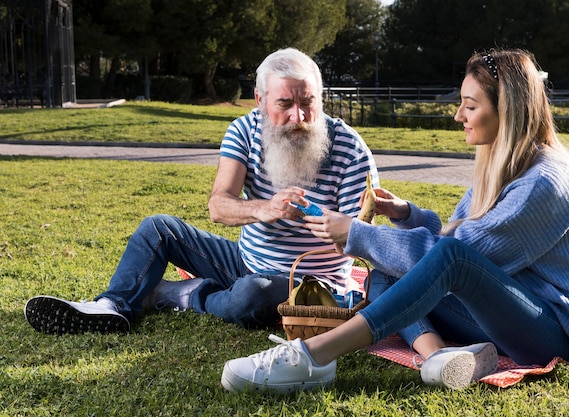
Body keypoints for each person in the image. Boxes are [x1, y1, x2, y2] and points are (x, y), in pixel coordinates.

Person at [220, 48, 569, 392]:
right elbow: (454, 239)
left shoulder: (547, 181)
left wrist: (356, 234)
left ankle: (313, 357)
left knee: (440, 258)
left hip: (551, 332)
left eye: (470, 105)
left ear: (506, 108)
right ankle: (437, 356)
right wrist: (407, 214)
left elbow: (461, 257)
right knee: (383, 271)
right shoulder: (502, 164)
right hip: (498, 317)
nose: (459, 115)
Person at [24, 47, 379, 334]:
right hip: (244, 262)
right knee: (157, 228)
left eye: (308, 103)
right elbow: (219, 205)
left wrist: (333, 225)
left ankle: (179, 294)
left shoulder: (350, 148)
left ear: (320, 97)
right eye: (285, 104)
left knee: (252, 297)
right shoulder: (243, 131)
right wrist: (262, 208)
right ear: (259, 99)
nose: (298, 117)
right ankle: (112, 307)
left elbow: (362, 240)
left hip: (309, 283)